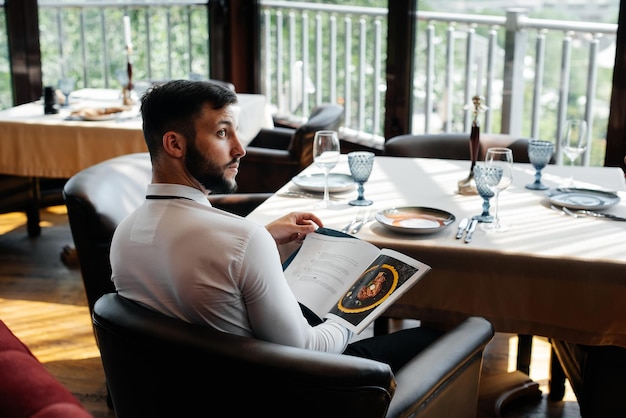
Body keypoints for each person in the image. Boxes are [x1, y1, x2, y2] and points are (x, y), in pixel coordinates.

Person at [110, 79, 442, 372]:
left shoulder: (123, 235)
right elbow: (306, 350)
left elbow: (189, 267)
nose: (240, 149)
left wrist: (263, 239)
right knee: (434, 338)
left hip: (185, 393)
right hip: (283, 394)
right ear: (175, 144)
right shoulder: (242, 241)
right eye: (223, 133)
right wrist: (354, 311)